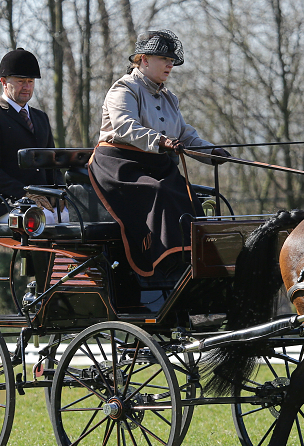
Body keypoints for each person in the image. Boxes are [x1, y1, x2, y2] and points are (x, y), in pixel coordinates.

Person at [87, 29, 231, 281]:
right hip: (120, 166)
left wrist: (211, 152)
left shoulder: (169, 97)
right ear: (143, 60)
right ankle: (167, 263)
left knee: (189, 196)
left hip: (156, 165)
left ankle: (196, 262)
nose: (170, 64)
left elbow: (185, 135)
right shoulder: (123, 89)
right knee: (161, 192)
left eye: (172, 60)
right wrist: (161, 140)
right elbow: (125, 126)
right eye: (164, 59)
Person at [0, 48, 68, 223]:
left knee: (72, 216)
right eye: (20, 81)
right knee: (45, 219)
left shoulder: (41, 118)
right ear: (3, 82)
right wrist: (25, 194)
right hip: (4, 202)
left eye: (30, 81)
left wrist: (59, 192)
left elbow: (53, 164)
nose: (27, 87)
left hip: (41, 200)